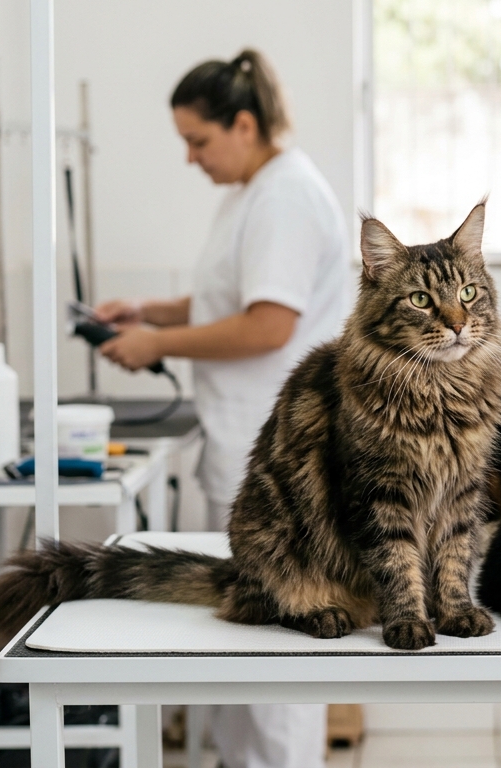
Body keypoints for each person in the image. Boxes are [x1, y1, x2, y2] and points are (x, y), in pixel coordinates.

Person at [95, 48, 349, 768]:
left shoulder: (286, 196)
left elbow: (270, 323)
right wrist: (146, 310)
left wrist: (158, 344)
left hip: (277, 458)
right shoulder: (252, 193)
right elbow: (233, 299)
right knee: (246, 638)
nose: (189, 157)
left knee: (276, 659)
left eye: (197, 141)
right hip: (245, 446)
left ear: (245, 124)